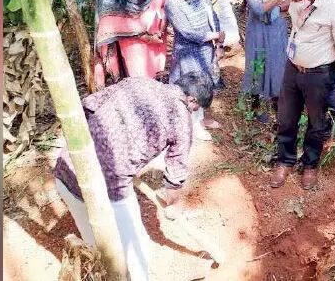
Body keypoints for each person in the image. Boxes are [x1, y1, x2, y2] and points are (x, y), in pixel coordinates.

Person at [53, 73, 214, 281]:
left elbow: (88, 106)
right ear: (192, 100)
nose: (194, 112)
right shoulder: (181, 119)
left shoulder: (138, 81)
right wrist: (173, 204)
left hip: (66, 172)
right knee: (133, 252)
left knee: (96, 249)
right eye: (196, 108)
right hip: (109, 188)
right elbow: (175, 176)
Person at [271, 0, 335, 190]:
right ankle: (286, 160)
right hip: (293, 68)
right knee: (286, 117)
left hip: (319, 74)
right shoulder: (299, 0)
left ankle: (309, 164)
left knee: (317, 123)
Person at [164, 0, 227, 139]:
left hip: (206, 50)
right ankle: (188, 126)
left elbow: (212, 18)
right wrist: (214, 36)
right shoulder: (172, 3)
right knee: (189, 89)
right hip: (186, 52)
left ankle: (199, 120)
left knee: (204, 86)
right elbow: (187, 32)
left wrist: (219, 45)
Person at [241, 0, 290, 123]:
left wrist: (280, 1)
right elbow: (259, 8)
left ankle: (277, 103)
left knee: (278, 63)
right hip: (259, 29)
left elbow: (289, 3)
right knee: (258, 65)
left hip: (277, 27)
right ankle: (255, 106)